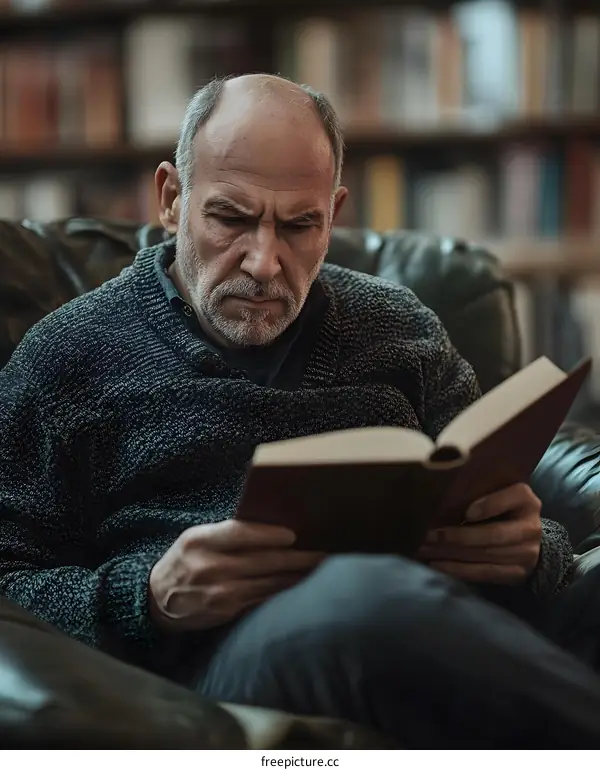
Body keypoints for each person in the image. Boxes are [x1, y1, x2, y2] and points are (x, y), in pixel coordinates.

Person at [1, 73, 600, 748]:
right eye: (230, 217)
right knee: (363, 600)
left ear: (334, 212)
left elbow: (511, 512)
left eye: (299, 225)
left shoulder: (399, 326)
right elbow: (8, 581)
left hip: (444, 625)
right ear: (172, 199)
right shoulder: (67, 357)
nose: (263, 262)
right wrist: (146, 597)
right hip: (217, 666)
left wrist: (530, 553)